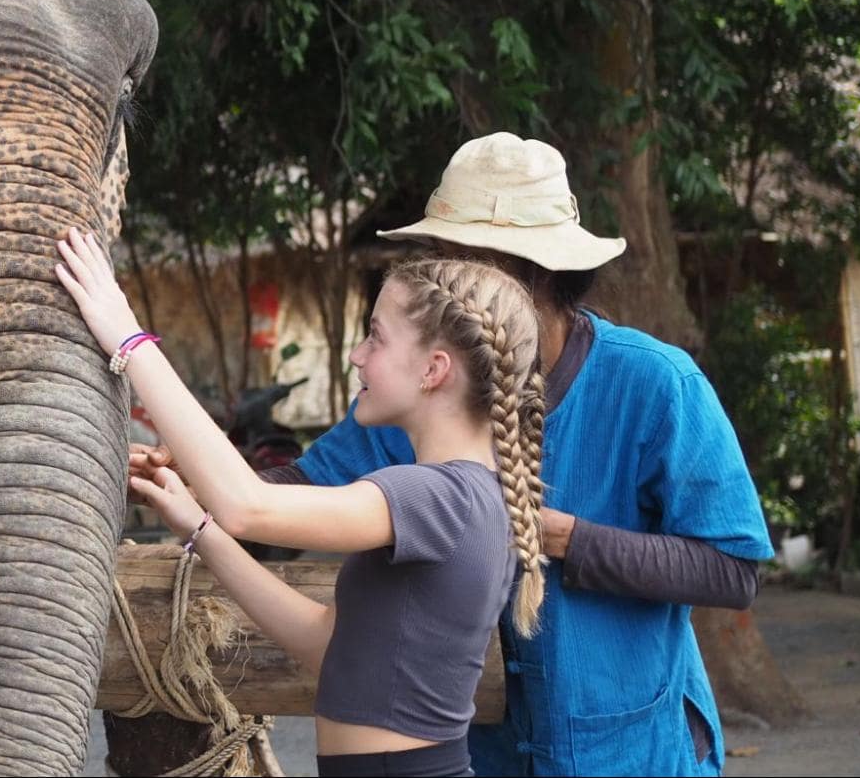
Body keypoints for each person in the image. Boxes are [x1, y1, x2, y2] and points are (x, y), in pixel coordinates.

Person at [276, 132, 773, 776]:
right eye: (438, 258)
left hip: (633, 754)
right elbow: (295, 494)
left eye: (460, 263)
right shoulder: (428, 387)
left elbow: (733, 573)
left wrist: (564, 538)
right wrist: (185, 481)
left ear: (530, 275)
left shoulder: (657, 384)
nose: (440, 281)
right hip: (487, 757)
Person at [57, 228, 548, 778]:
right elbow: (327, 646)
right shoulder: (470, 492)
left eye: (376, 338)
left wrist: (128, 338)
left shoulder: (438, 495)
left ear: (433, 370)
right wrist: (201, 528)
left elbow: (249, 505)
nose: (358, 356)